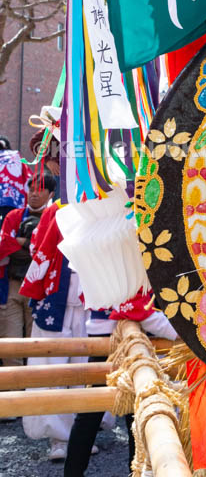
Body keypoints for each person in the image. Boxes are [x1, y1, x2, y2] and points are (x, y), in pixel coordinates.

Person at [63, 291, 178, 476]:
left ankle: (72, 473)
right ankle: (136, 472)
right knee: (132, 409)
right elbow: (140, 311)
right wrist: (181, 333)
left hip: (105, 334)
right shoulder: (126, 264)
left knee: (96, 414)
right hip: (116, 337)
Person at [20, 194, 88, 462]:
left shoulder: (104, 201)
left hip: (89, 303)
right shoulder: (55, 210)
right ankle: (58, 438)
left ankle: (82, 435)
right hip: (56, 301)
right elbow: (39, 247)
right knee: (53, 371)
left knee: (84, 371)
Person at [0, 172, 55, 352]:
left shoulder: (55, 217)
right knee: (9, 340)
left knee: (36, 342)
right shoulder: (13, 216)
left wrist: (22, 243)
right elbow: (4, 245)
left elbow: (51, 252)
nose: (34, 194)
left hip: (41, 289)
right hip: (13, 286)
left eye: (39, 190)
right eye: (31, 189)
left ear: (51, 194)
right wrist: (34, 248)